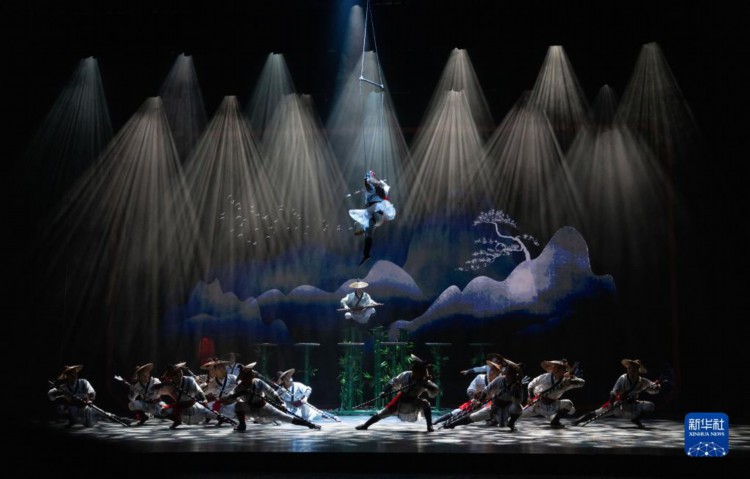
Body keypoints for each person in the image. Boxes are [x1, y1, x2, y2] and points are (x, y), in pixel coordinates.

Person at [226, 362, 320, 432]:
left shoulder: (258, 382)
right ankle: (242, 425)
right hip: (250, 409)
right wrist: (237, 394)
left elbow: (270, 391)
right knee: (238, 405)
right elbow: (229, 399)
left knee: (285, 417)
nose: (253, 374)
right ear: (245, 377)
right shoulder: (239, 387)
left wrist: (280, 402)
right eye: (250, 373)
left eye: (251, 373)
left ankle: (310, 425)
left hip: (263, 407)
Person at [355, 354, 439, 432]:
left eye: (421, 372)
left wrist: (426, 385)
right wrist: (384, 392)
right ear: (414, 370)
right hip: (401, 399)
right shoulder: (405, 375)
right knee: (383, 412)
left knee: (426, 404)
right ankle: (366, 425)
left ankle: (429, 426)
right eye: (417, 370)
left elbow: (434, 390)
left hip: (413, 401)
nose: (418, 373)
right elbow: (392, 382)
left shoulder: (424, 381)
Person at [572, 358, 661, 429]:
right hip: (618, 405)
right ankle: (578, 420)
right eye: (629, 368)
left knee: (650, 406)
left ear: (637, 370)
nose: (631, 370)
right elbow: (614, 391)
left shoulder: (642, 381)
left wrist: (656, 387)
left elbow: (653, 388)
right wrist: (611, 403)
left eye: (633, 368)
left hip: (632, 406)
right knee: (597, 413)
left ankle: (636, 419)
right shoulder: (623, 378)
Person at [444, 359, 524, 431]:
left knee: (518, 408)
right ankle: (452, 424)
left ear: (513, 373)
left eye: (508, 369)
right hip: (495, 407)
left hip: (508, 408)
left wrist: (514, 392)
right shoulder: (500, 379)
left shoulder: (517, 385)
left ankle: (511, 423)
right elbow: (487, 389)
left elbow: (518, 400)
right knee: (474, 416)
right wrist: (480, 400)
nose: (505, 370)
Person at [434, 358, 501, 426]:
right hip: (476, 401)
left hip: (490, 405)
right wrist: (474, 399)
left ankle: (492, 420)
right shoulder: (480, 378)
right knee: (459, 411)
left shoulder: (499, 382)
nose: (491, 372)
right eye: (491, 369)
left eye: (494, 371)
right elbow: (471, 389)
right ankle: (438, 421)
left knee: (492, 410)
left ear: (497, 374)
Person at [349, 170, 396, 265]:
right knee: (368, 232)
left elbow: (374, 188)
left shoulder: (376, 187)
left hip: (377, 210)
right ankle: (366, 254)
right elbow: (371, 188)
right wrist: (368, 180)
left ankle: (364, 232)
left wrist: (368, 179)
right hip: (376, 215)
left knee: (367, 226)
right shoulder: (374, 189)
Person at [522, 359, 584, 428]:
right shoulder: (545, 377)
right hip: (537, 404)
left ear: (564, 370)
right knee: (518, 414)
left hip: (553, 406)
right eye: (555, 368)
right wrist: (531, 396)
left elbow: (582, 383)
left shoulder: (567, 381)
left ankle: (555, 420)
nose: (556, 370)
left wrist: (574, 381)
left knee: (570, 407)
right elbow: (531, 384)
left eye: (560, 369)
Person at [158, 362, 216, 429]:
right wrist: (165, 380)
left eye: (180, 371)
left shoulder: (189, 380)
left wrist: (204, 400)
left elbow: (199, 391)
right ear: (172, 376)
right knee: (163, 410)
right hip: (181, 408)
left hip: (193, 406)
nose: (179, 374)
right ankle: (177, 420)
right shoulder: (170, 385)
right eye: (175, 373)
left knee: (212, 414)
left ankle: (219, 418)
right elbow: (162, 384)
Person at [202, 359, 238, 425]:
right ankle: (213, 418)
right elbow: (206, 393)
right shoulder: (213, 382)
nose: (223, 370)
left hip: (231, 402)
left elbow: (239, 386)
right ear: (215, 371)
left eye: (223, 368)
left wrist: (233, 393)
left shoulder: (233, 378)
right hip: (219, 403)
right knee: (207, 407)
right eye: (220, 368)